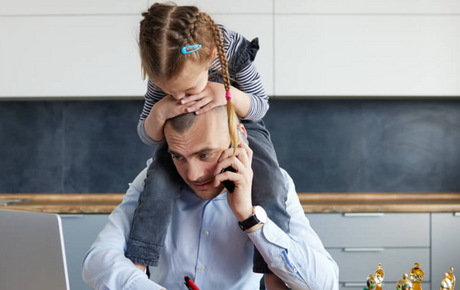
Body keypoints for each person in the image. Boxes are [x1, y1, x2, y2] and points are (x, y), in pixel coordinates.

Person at [82, 106, 339, 290]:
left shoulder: (274, 183)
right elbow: (97, 261)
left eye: (205, 155)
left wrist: (250, 217)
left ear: (239, 136)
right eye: (179, 156)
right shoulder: (152, 182)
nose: (192, 174)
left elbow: (325, 283)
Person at [128, 2, 290, 276]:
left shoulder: (232, 49)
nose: (181, 97)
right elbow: (148, 135)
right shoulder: (164, 63)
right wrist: (161, 110)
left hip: (241, 120)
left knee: (270, 182)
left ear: (212, 55)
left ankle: (275, 273)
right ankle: (138, 265)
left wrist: (225, 94)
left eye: (187, 88)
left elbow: (260, 104)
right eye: (171, 91)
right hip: (186, 136)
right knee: (157, 183)